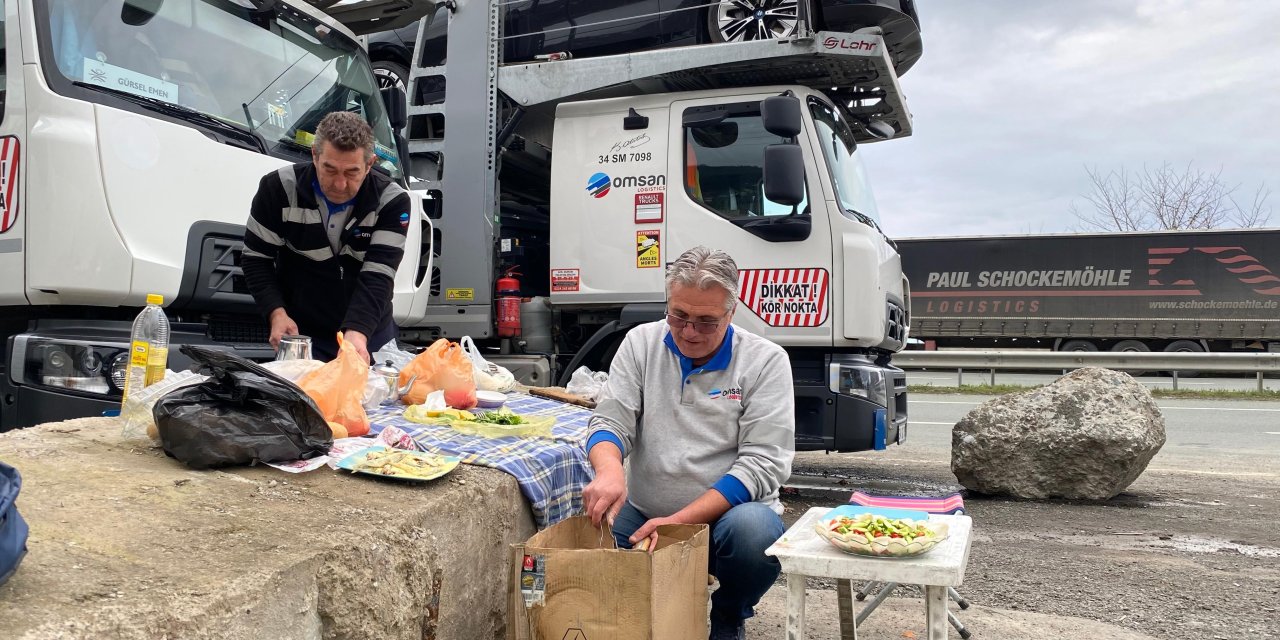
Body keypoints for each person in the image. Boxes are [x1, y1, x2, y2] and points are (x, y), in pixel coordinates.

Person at [581, 246, 795, 640]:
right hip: (646, 511)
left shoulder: (765, 361)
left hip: (727, 521)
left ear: (731, 313)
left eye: (706, 322)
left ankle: (728, 615)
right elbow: (610, 420)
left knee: (755, 538)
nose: (689, 332)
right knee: (591, 556)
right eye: (678, 315)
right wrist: (609, 470)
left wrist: (679, 523)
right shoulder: (640, 343)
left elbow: (763, 463)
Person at [242, 111, 410, 362]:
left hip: (368, 330)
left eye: (352, 172)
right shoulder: (278, 188)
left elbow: (378, 275)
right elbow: (256, 259)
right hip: (302, 330)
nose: (339, 184)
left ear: (370, 164)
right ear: (314, 155)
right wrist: (276, 313)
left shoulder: (392, 201)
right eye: (329, 169)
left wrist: (358, 332)